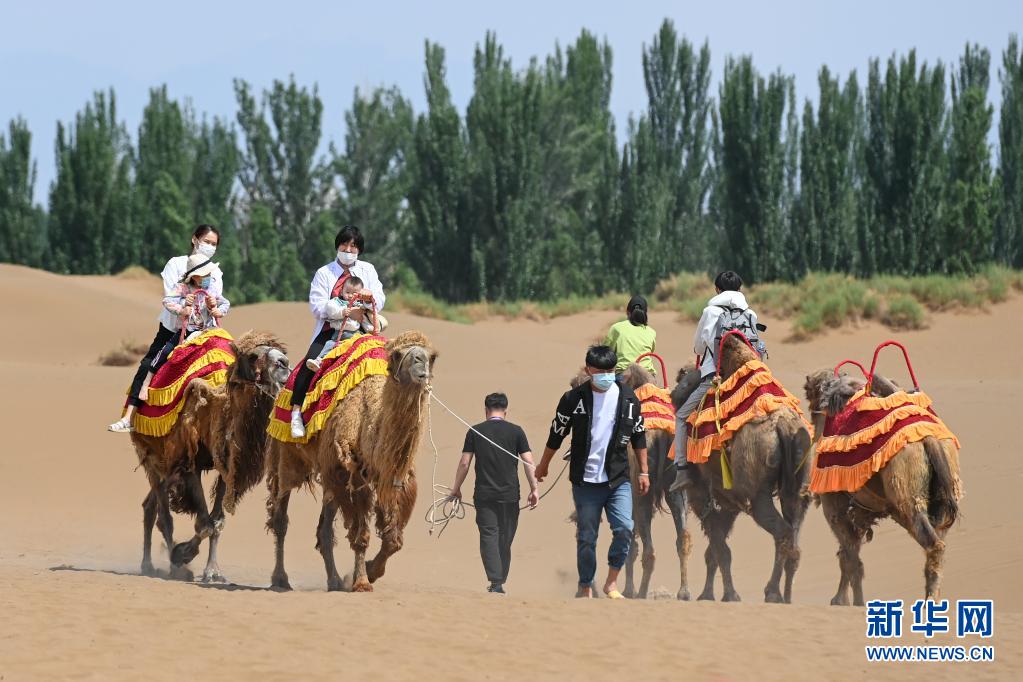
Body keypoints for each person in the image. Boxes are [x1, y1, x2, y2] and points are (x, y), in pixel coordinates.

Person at [534, 345, 650, 599]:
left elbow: (639, 436)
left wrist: (644, 472)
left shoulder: (629, 399)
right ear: (589, 370)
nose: (606, 376)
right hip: (585, 481)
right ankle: (585, 585)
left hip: (618, 479)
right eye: (600, 372)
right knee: (587, 537)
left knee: (625, 528)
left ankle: (611, 582)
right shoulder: (572, 399)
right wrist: (543, 465)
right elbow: (557, 434)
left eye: (610, 371)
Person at [108, 225, 227, 433]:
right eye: (206, 241)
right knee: (149, 364)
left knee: (230, 360)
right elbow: (170, 295)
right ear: (194, 239)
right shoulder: (177, 264)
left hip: (205, 331)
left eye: (213, 244)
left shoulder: (216, 272)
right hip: (174, 329)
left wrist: (215, 308)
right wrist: (185, 305)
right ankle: (130, 416)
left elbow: (220, 300)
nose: (209, 246)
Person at [290, 225, 386, 439]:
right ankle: (296, 411)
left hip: (364, 329)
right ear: (338, 245)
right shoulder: (324, 273)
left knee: (388, 362)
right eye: (345, 244)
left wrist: (370, 298)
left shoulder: (368, 270)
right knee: (310, 362)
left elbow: (380, 297)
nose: (349, 249)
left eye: (354, 246)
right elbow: (317, 305)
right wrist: (343, 312)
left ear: (359, 249)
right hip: (332, 329)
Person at [669, 270, 760, 492]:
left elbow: (699, 348)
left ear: (717, 290)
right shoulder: (751, 314)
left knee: (681, 417)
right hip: (749, 378)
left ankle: (681, 470)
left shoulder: (710, 312)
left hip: (715, 376)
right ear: (740, 290)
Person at [449, 393, 539, 594]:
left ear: (486, 410)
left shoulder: (475, 431)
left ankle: (497, 581)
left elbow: (464, 463)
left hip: (484, 496)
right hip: (509, 496)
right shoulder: (516, 431)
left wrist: (456, 488)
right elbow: (528, 462)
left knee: (489, 536)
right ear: (505, 411)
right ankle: (498, 580)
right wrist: (534, 488)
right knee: (504, 539)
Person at [144, 255, 230, 381]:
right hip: (188, 330)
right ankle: (146, 382)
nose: (209, 277)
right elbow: (167, 301)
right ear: (195, 277)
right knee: (165, 351)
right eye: (205, 274)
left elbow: (225, 303)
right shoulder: (182, 288)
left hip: (210, 331)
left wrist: (217, 310)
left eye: (209, 273)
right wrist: (183, 308)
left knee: (229, 350)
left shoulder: (212, 288)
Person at [304, 276, 379, 374]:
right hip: (339, 334)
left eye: (354, 293)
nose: (350, 296)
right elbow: (329, 308)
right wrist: (342, 312)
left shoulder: (360, 305)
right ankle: (319, 360)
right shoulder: (337, 302)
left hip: (356, 334)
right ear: (341, 291)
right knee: (329, 344)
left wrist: (368, 300)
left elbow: (370, 311)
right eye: (347, 292)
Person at [604, 295, 657, 376]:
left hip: (623, 376)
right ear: (645, 313)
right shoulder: (651, 332)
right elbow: (651, 351)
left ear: (627, 312)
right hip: (648, 376)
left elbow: (606, 353)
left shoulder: (617, 328)